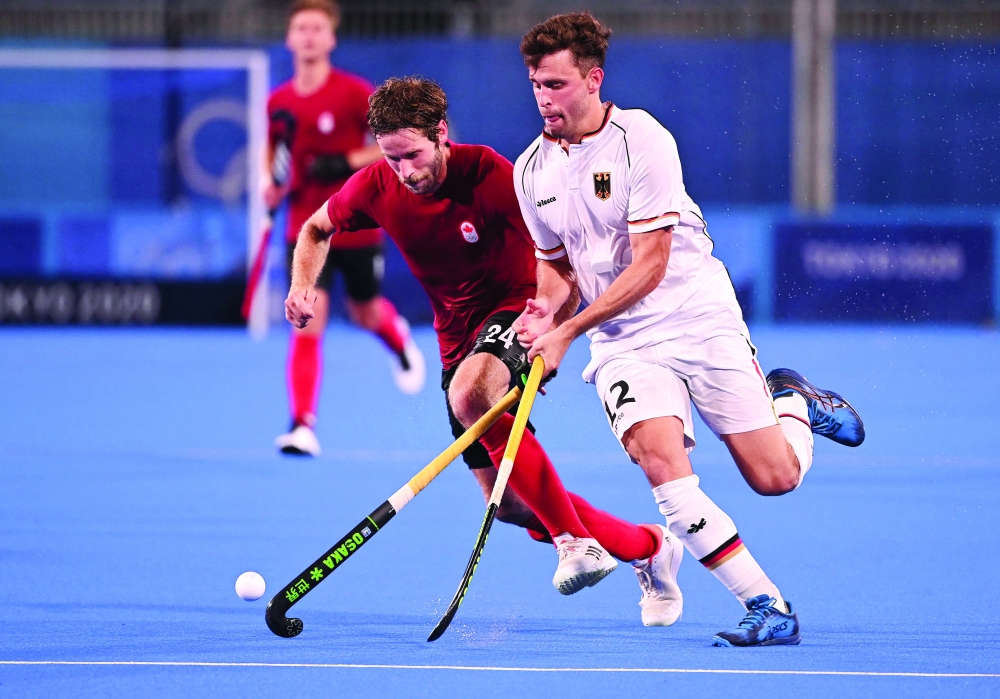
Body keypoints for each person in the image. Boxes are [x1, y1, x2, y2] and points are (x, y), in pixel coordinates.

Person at [511, 12, 865, 647]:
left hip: (696, 316)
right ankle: (767, 605)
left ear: (593, 79)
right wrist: (542, 315)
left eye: (556, 84)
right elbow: (557, 269)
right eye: (536, 84)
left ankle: (793, 402)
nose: (544, 98)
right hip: (623, 343)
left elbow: (650, 266)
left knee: (775, 478)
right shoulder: (530, 169)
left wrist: (568, 332)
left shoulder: (642, 140)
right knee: (662, 467)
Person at [285, 76, 686, 606]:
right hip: (455, 342)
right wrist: (302, 284)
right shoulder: (376, 185)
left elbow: (564, 260)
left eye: (413, 155)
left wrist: (554, 328)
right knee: (513, 506)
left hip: (519, 311)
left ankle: (575, 542)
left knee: (471, 394)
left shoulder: (494, 175)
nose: (405, 172)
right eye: (392, 158)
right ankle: (650, 548)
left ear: (441, 133)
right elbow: (316, 229)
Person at [266, 0, 425, 457]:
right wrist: (269, 186)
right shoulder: (278, 101)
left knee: (365, 313)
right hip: (304, 228)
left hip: (355, 223)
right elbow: (273, 152)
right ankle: (302, 424)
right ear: (290, 38)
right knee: (307, 320)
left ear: (331, 38)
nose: (309, 35)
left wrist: (346, 160)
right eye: (301, 28)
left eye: (318, 28)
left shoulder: (355, 93)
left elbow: (398, 143)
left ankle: (398, 341)